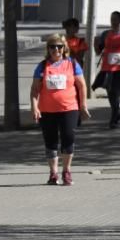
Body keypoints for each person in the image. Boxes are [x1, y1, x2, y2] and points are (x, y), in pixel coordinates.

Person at [30, 33, 90, 186]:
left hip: (69, 109)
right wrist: (34, 107)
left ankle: (66, 171)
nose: (56, 50)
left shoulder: (72, 64)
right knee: (50, 142)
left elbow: (82, 85)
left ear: (64, 48)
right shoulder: (42, 66)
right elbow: (35, 90)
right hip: (47, 111)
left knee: (68, 139)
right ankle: (53, 173)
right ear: (48, 49)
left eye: (59, 46)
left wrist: (83, 105)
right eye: (52, 47)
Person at [92, 11, 120, 128]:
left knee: (116, 92)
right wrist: (95, 44)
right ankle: (115, 116)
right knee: (111, 93)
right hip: (107, 69)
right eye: (111, 19)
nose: (113, 21)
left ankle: (114, 117)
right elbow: (98, 52)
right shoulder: (105, 34)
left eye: (115, 19)